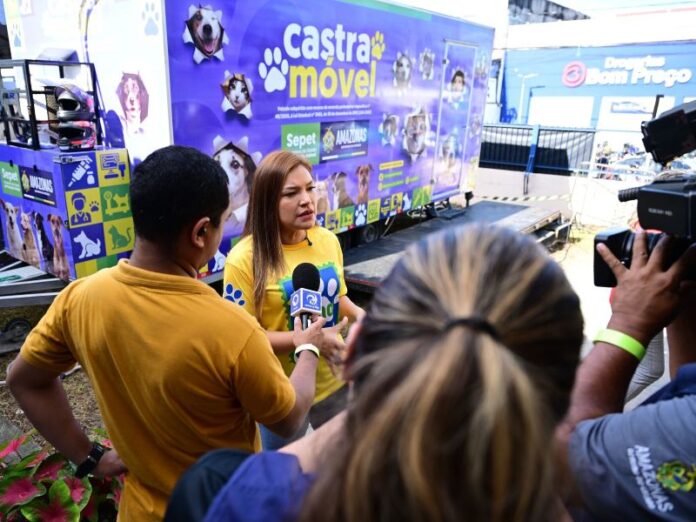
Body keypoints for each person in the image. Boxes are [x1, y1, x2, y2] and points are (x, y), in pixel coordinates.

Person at [7, 145, 324, 521]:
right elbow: (288, 419)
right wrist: (307, 348)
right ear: (201, 232)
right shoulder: (232, 329)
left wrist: (89, 458)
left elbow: (23, 379)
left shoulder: (80, 298)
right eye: (223, 221)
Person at [195, 223, 584, 521]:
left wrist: (311, 348)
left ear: (355, 349)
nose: (306, 200)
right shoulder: (579, 497)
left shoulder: (236, 495)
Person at [223, 150, 364, 449]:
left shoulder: (327, 240)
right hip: (281, 393)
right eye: (291, 193)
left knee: (345, 464)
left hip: (335, 380)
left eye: (310, 188)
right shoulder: (243, 259)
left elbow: (338, 298)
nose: (307, 200)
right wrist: (311, 340)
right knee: (283, 473)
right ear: (267, 201)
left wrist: (366, 318)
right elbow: (243, 340)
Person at [557, 231, 696, 520]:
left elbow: (566, 451)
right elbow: (687, 383)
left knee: (648, 369)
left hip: (642, 304)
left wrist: (629, 323)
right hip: (652, 300)